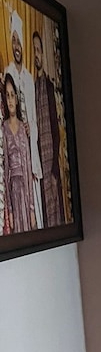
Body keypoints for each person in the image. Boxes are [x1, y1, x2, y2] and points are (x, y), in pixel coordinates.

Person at [5, 9, 42, 226]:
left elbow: (34, 117)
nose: (17, 46)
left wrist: (31, 130)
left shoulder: (29, 78)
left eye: (19, 42)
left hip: (31, 151)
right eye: (14, 41)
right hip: (16, 158)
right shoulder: (8, 74)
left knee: (35, 207)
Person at [32, 29, 63, 226]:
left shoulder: (49, 87)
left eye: (38, 50)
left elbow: (55, 131)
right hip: (38, 167)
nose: (36, 54)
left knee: (55, 212)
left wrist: (54, 171)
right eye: (33, 50)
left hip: (51, 167)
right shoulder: (31, 87)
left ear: (43, 53)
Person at [2, 71, 36, 233]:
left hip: (25, 192)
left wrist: (31, 209)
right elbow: (5, 169)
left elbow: (28, 168)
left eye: (12, 95)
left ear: (16, 99)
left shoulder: (23, 128)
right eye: (7, 96)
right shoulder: (4, 129)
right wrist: (9, 210)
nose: (10, 100)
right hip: (13, 191)